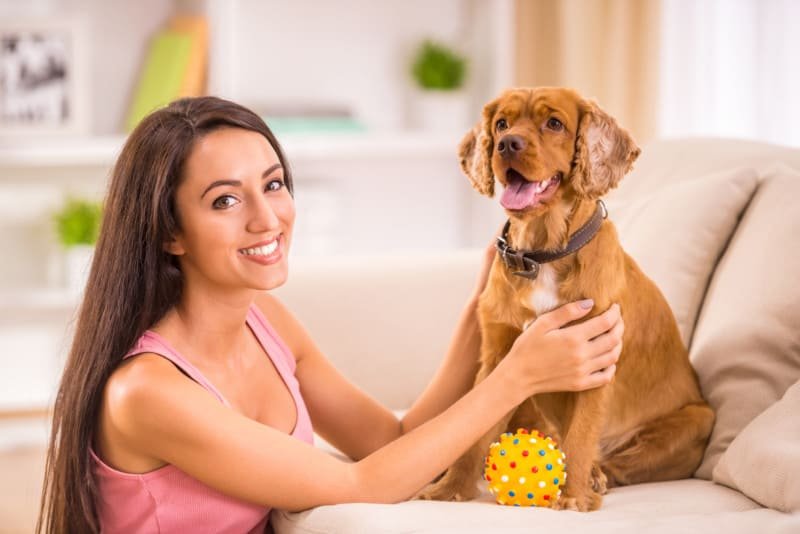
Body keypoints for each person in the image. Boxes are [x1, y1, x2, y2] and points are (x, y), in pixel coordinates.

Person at [38, 96, 623, 533]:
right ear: (169, 231)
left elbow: (391, 443)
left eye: (274, 184)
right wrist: (517, 377)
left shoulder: (266, 324)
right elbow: (362, 484)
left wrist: (483, 310)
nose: (267, 219)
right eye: (225, 200)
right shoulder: (145, 392)